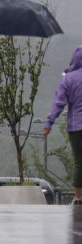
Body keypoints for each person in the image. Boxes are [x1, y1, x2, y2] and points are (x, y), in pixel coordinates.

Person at [44, 45, 82, 205]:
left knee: (80, 161)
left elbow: (58, 103)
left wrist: (49, 123)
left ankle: (79, 197)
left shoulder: (68, 78)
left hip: (77, 127)